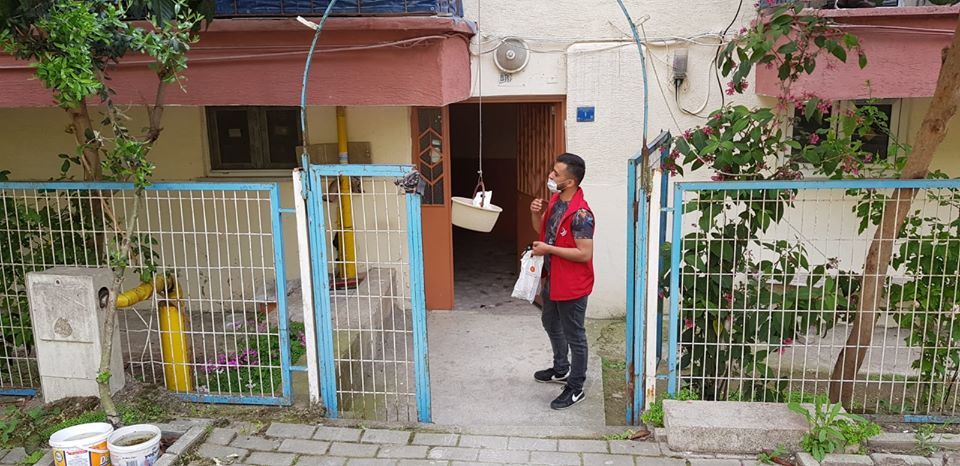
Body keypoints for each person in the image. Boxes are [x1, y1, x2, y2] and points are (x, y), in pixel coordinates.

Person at [529, 153, 595, 410]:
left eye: (556, 174)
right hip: (553, 279)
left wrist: (549, 250)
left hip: (572, 285)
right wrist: (536, 213)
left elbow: (584, 253)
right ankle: (561, 368)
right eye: (552, 170)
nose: (550, 175)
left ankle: (575, 387)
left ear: (570, 182)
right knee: (549, 321)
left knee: (575, 335)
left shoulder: (581, 215)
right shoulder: (556, 201)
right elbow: (542, 232)